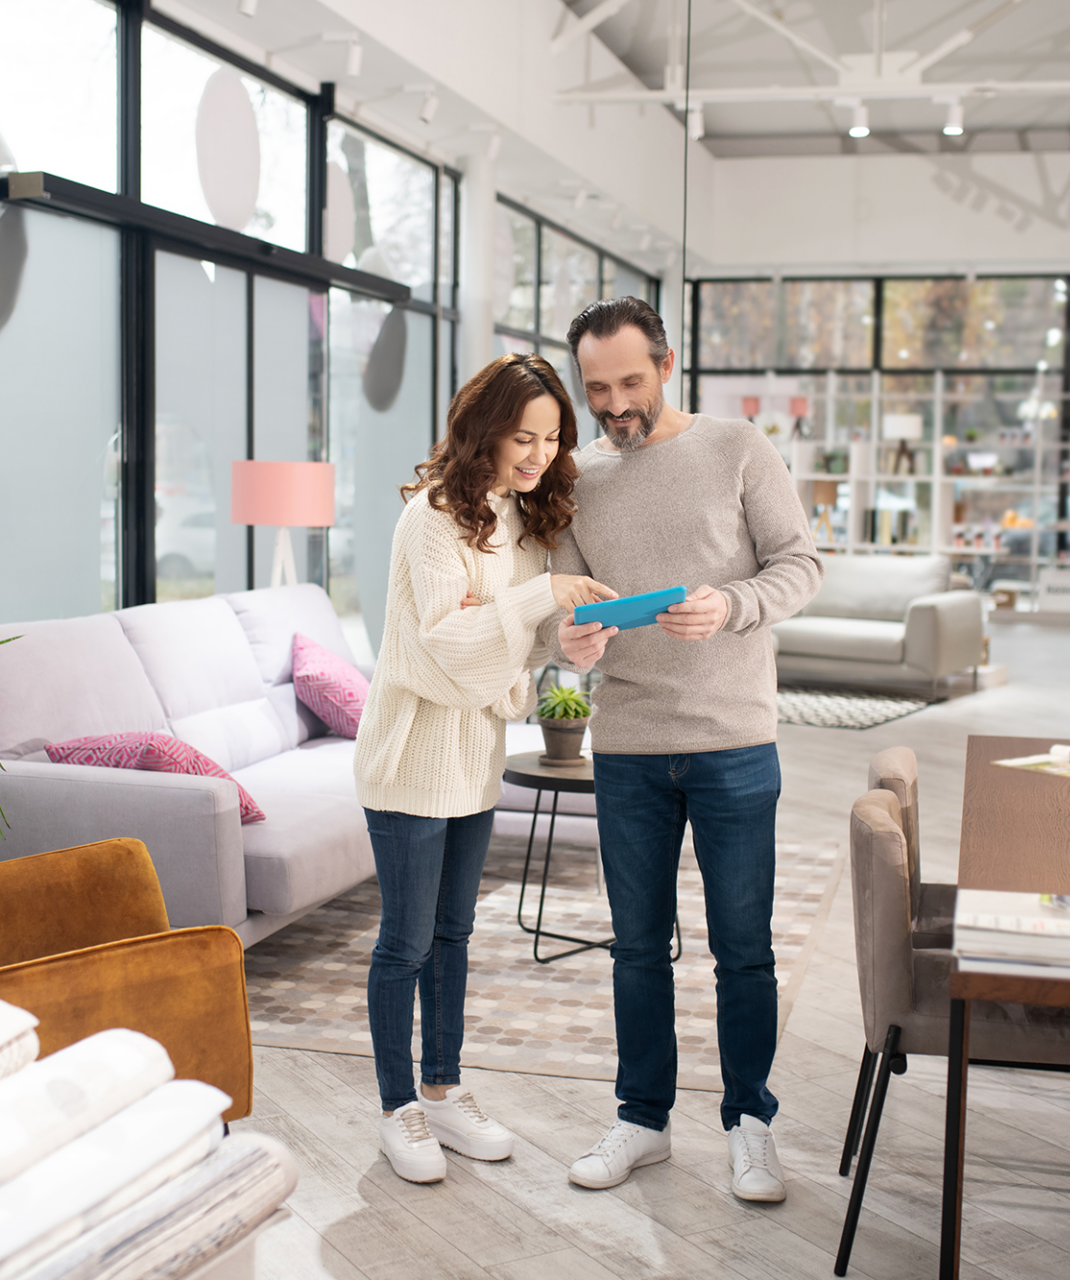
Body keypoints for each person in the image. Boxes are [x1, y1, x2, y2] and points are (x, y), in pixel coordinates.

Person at [551, 296, 821, 1202]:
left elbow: (799, 563)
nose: (616, 403)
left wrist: (733, 605)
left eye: (631, 381)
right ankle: (642, 1119)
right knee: (635, 948)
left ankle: (751, 1121)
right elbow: (563, 605)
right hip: (627, 745)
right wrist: (572, 642)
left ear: (666, 364)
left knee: (742, 948)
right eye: (598, 389)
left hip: (735, 740)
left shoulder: (738, 448)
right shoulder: (577, 476)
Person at [354, 352, 616, 1184]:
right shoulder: (432, 517)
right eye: (522, 437)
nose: (538, 455)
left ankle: (442, 1091)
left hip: (473, 757)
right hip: (409, 755)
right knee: (405, 940)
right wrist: (533, 606)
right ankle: (398, 1109)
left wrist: (560, 634)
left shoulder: (515, 519)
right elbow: (439, 653)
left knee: (455, 934)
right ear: (484, 431)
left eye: (551, 439)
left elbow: (508, 652)